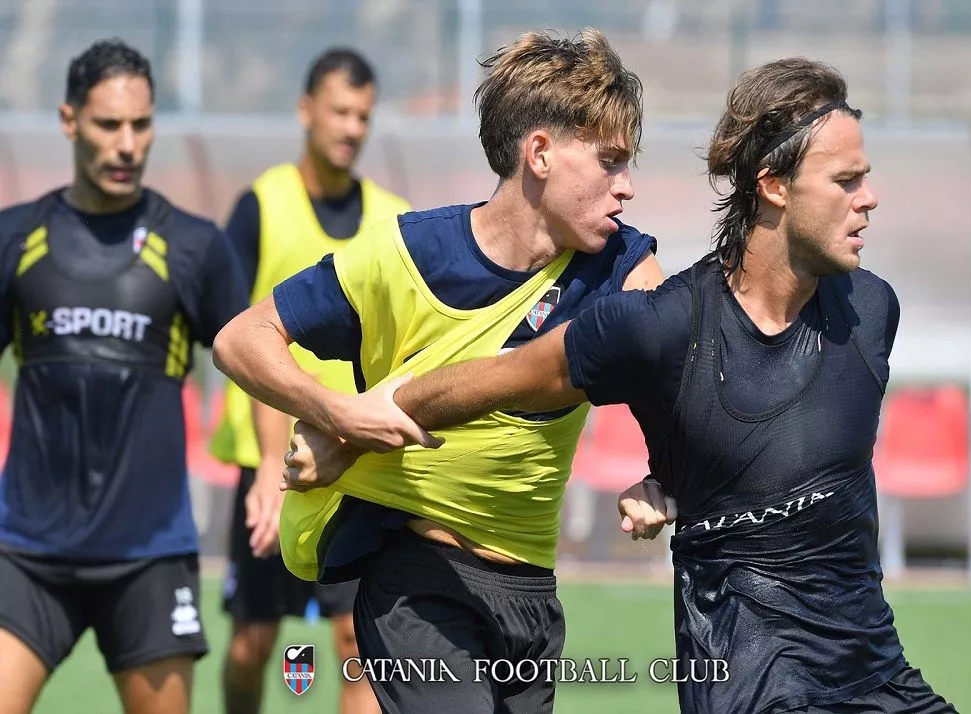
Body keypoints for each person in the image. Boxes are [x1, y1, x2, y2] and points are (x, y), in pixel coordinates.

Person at [281, 58, 958, 713]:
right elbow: (503, 375)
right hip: (752, 686)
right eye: (846, 180)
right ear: (774, 184)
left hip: (879, 681)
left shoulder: (871, 311)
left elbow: (732, 441)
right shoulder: (661, 324)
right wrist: (352, 427)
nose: (868, 198)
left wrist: (663, 477)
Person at [212, 28, 664, 714]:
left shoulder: (624, 266)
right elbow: (242, 338)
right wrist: (335, 412)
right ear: (539, 153)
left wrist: (667, 471)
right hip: (420, 582)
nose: (627, 187)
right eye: (610, 162)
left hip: (532, 597)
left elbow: (681, 376)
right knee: (259, 645)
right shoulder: (408, 254)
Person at [0, 40, 247, 714]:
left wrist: (276, 474)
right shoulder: (15, 239)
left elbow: (257, 360)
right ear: (68, 119)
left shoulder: (196, 246)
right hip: (27, 551)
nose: (128, 144)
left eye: (141, 125)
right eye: (109, 125)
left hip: (149, 556)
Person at [208, 47, 408, 714]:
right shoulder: (260, 206)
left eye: (363, 115)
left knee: (356, 642)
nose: (352, 127)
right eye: (340, 111)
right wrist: (269, 462)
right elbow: (237, 338)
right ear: (306, 111)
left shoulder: (393, 217)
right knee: (252, 644)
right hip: (268, 465)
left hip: (357, 464)